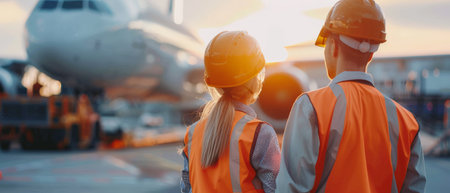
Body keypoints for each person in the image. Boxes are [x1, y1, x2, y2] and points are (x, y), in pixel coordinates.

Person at [276, 0, 426, 192]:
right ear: (371, 54)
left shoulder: (311, 107)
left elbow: (291, 189)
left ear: (333, 46)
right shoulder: (406, 121)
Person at [180, 31, 280, 193]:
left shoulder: (193, 133)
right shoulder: (259, 134)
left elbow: (187, 188)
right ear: (255, 79)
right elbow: (275, 188)